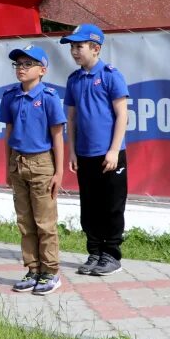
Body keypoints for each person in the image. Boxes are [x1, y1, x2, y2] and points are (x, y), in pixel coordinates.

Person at [61, 24, 129, 277]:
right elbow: (72, 117)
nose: (74, 51)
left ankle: (111, 254)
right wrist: (72, 151)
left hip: (110, 154)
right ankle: (94, 252)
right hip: (85, 154)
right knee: (89, 206)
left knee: (111, 204)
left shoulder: (111, 75)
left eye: (79, 46)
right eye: (72, 47)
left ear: (96, 48)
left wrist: (113, 150)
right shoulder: (74, 79)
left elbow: (122, 115)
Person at [0, 45, 66, 295]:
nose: (21, 69)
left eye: (27, 64)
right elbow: (8, 133)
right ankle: (33, 268)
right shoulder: (10, 96)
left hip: (41, 164)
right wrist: (8, 165)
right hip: (18, 162)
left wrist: (58, 172)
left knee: (44, 222)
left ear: (42, 70)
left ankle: (50, 272)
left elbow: (57, 136)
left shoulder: (48, 97)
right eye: (18, 64)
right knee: (25, 221)